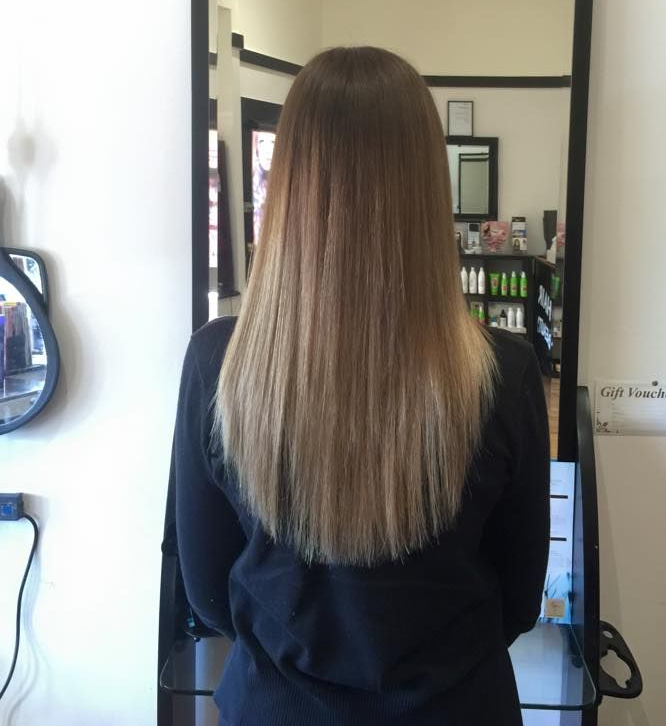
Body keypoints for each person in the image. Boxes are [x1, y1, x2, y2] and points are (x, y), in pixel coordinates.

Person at [174, 46, 550, 726]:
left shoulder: (216, 364)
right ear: (428, 187)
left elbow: (204, 594)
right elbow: (521, 602)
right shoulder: (507, 372)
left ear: (285, 185)